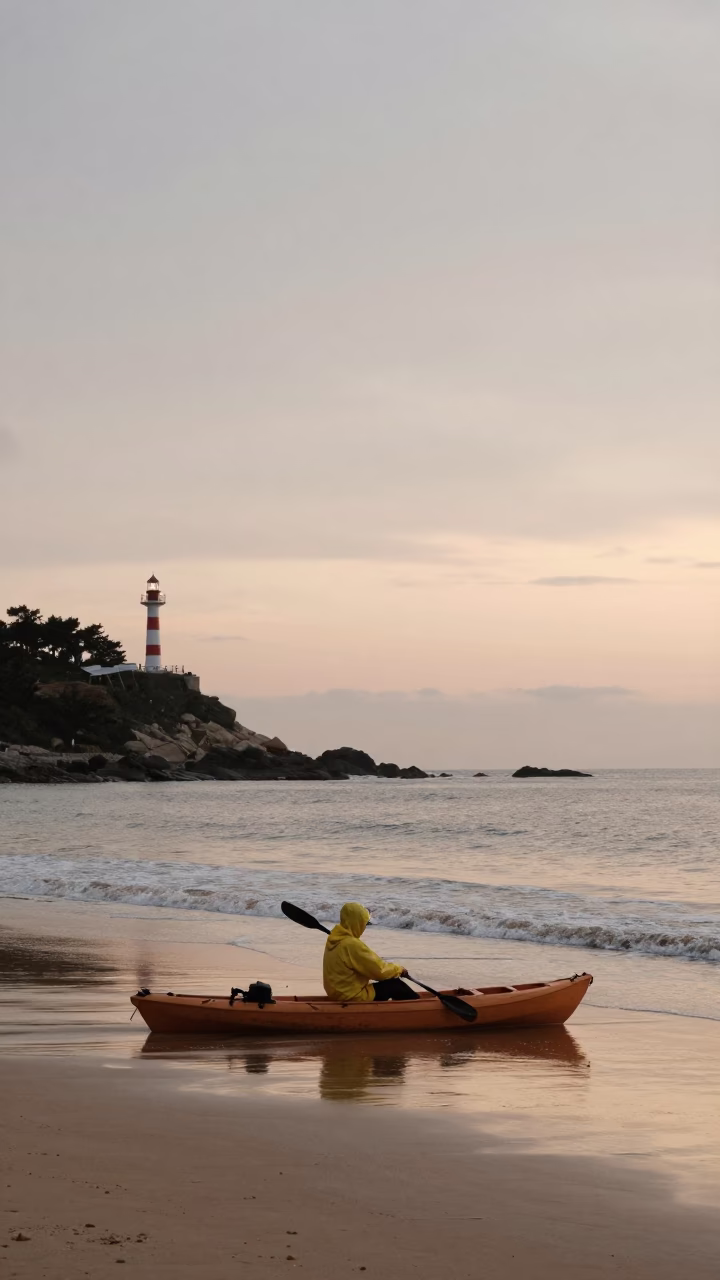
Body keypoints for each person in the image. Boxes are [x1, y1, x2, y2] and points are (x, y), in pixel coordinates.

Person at [323, 902, 419, 1002]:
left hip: (337, 993)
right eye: (364, 923)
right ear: (357, 923)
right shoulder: (351, 944)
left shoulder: (334, 939)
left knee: (390, 982)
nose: (364, 927)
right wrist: (399, 970)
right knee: (395, 985)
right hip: (352, 996)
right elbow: (379, 971)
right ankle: (418, 1008)